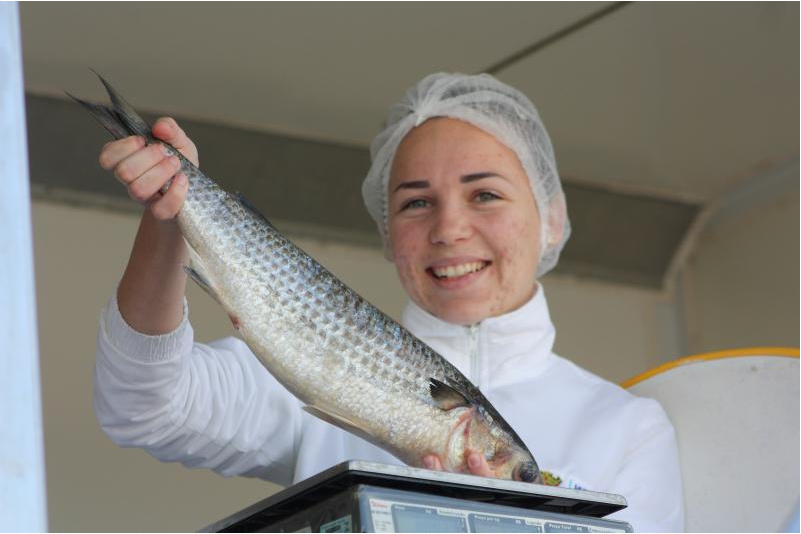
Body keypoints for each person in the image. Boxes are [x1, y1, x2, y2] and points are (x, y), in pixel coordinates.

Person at [94, 73, 685, 531]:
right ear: (386, 231)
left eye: (485, 193)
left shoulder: (627, 427)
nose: (450, 228)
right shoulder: (312, 357)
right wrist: (171, 219)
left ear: (552, 218)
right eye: (415, 202)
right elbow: (142, 406)